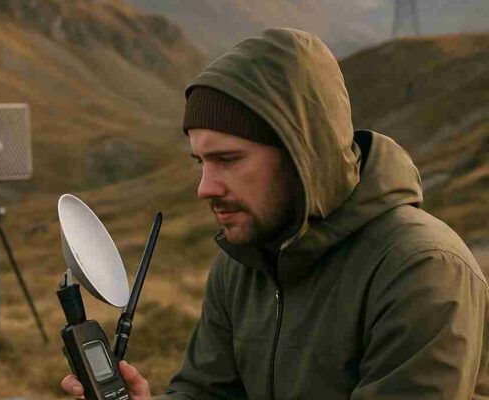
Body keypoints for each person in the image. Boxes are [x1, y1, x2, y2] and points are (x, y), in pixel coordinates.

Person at [62, 28, 489, 399]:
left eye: (228, 159)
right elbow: (209, 393)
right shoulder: (242, 265)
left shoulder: (422, 270)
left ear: (303, 155)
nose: (205, 188)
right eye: (200, 162)